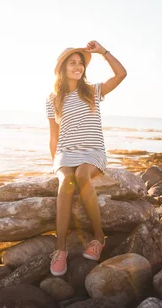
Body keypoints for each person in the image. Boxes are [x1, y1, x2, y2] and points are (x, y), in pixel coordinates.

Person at [45, 40, 127, 276]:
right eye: (72, 63)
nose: (78, 66)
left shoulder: (92, 91)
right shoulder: (52, 99)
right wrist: (55, 164)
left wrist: (103, 52)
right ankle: (60, 249)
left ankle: (99, 238)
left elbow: (121, 74)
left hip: (92, 152)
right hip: (65, 153)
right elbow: (54, 136)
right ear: (63, 68)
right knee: (66, 181)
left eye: (80, 63)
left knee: (82, 174)